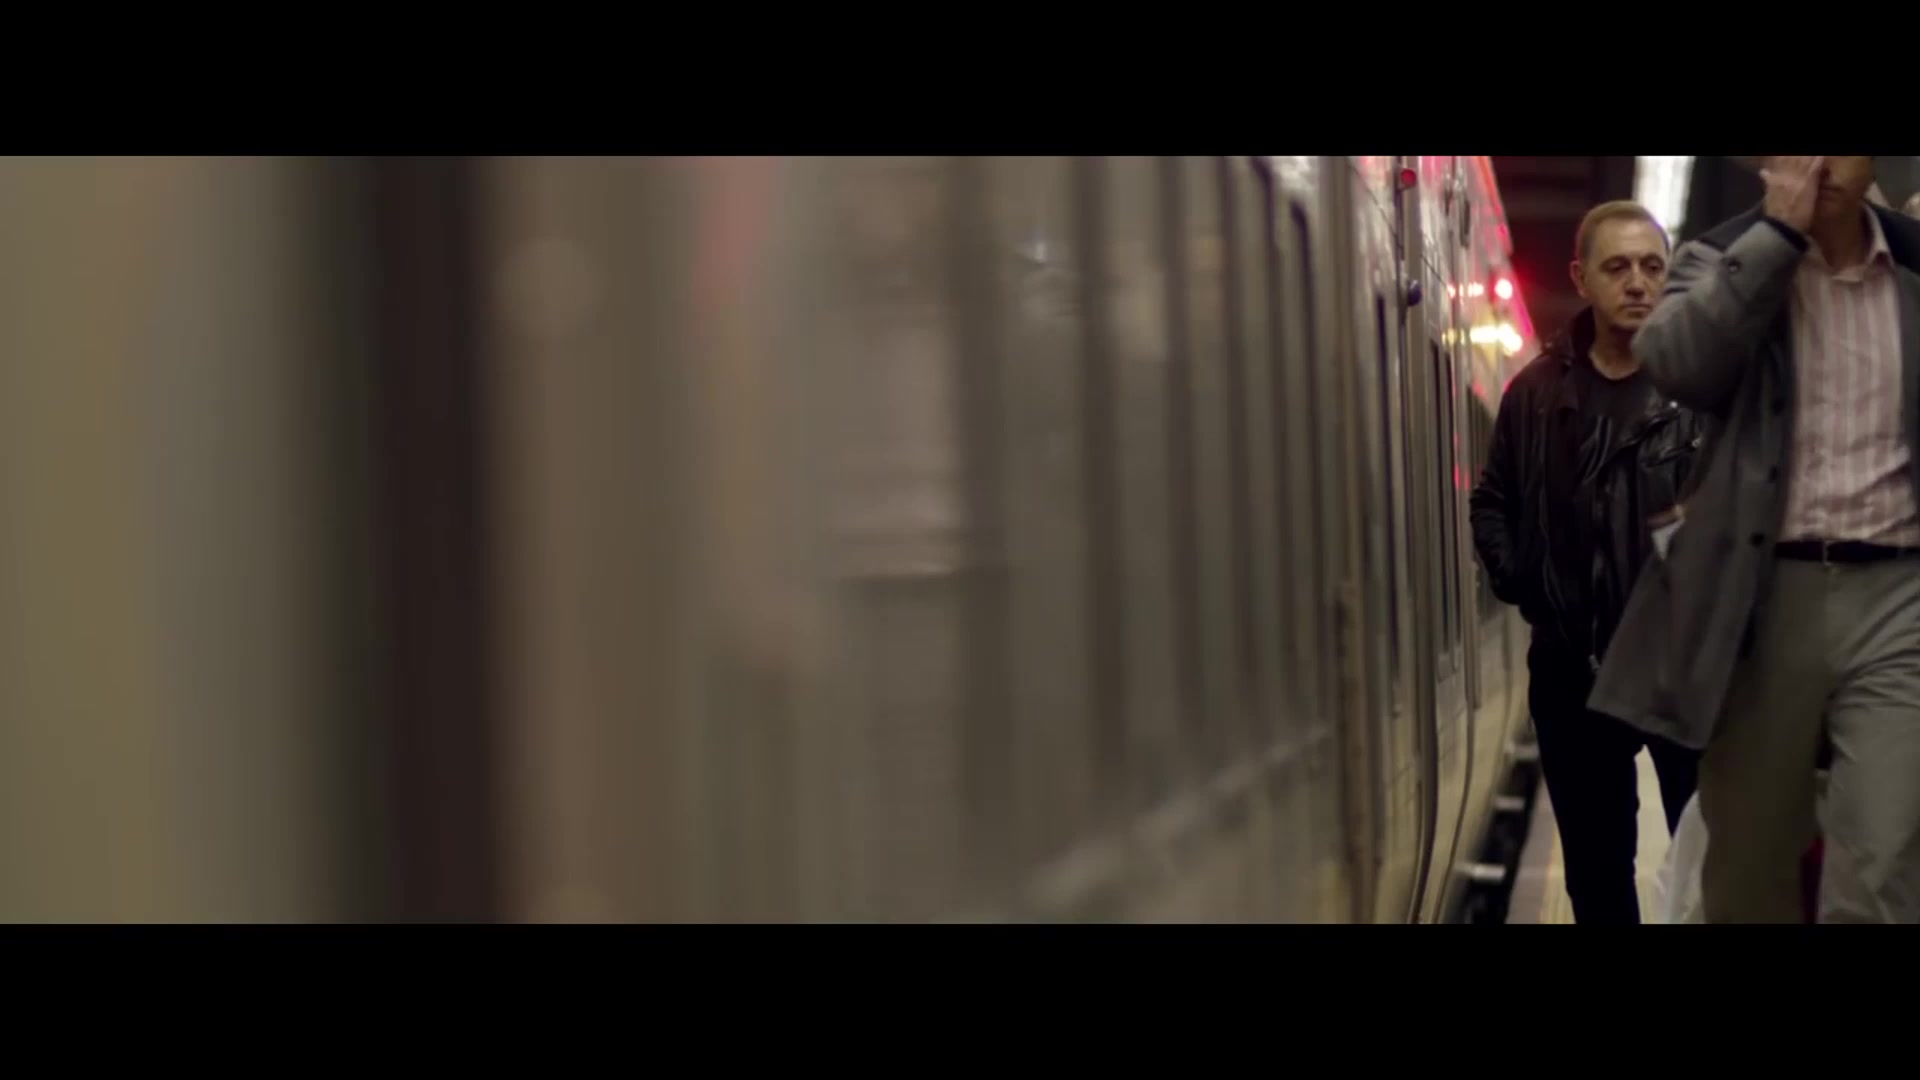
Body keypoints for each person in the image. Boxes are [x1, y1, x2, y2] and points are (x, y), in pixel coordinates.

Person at [1590, 156, 1920, 923]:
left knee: (1884, 863)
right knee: (1748, 870)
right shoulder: (1719, 258)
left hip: (1900, 601)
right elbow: (1678, 363)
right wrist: (1776, 239)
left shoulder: (1912, 267)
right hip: (1762, 601)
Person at [1470, 200, 1707, 924]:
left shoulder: (1704, 388)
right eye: (1617, 267)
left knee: (1712, 872)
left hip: (1686, 674)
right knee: (1598, 880)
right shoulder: (1535, 396)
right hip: (1576, 674)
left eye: (1652, 267)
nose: (1637, 282)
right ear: (1581, 278)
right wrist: (1528, 582)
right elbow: (1493, 499)